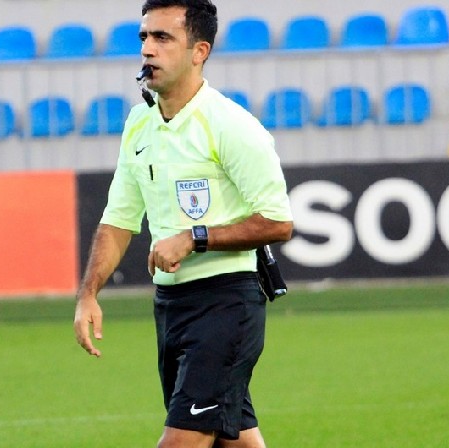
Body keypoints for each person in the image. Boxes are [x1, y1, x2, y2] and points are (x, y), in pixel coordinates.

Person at [74, 1, 293, 446]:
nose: (147, 49)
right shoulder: (140, 124)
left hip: (227, 304)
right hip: (171, 306)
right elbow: (118, 220)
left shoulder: (231, 125)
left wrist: (195, 238)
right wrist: (88, 294)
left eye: (163, 37)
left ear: (199, 51)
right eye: (144, 37)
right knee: (234, 438)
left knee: (181, 440)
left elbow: (278, 222)